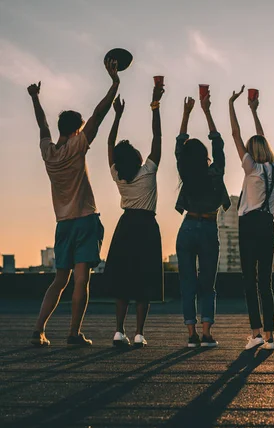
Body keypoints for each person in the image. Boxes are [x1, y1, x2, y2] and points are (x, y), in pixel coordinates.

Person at [27, 59, 120, 347]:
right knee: (82, 281)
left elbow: (42, 124)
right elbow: (99, 114)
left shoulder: (48, 152)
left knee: (60, 281)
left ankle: (39, 329)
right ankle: (73, 333)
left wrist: (35, 97)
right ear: (78, 129)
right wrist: (114, 82)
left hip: (63, 224)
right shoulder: (78, 145)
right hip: (85, 220)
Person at [104, 81, 165, 348]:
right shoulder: (148, 171)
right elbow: (158, 138)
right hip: (146, 226)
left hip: (126, 224)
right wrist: (155, 105)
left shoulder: (118, 175)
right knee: (144, 280)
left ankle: (119, 330)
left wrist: (117, 116)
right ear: (138, 157)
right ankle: (139, 333)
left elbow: (109, 143)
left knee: (123, 281)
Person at [175, 91, 230, 348]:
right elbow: (218, 142)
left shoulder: (185, 171)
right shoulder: (215, 171)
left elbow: (178, 146)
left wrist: (186, 114)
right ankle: (207, 333)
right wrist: (207, 111)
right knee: (207, 283)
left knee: (188, 283)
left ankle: (191, 335)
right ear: (205, 156)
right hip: (208, 227)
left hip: (187, 227)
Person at [229, 86, 274, 351]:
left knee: (249, 280)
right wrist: (254, 110)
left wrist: (231, 105)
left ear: (251, 152)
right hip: (268, 224)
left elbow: (236, 134)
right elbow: (262, 137)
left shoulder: (252, 168)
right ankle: (270, 336)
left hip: (249, 224)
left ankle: (256, 333)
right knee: (266, 283)